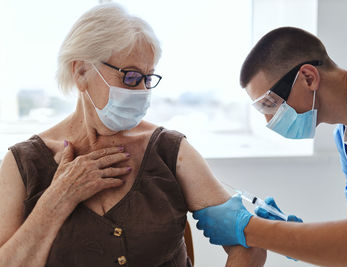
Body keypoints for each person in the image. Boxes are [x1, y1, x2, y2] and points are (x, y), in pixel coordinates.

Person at [0, 3, 266, 266]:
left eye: (148, 79)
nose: (141, 91)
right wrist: (57, 200)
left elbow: (250, 244)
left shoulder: (169, 151)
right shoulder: (23, 163)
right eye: (130, 77)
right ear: (81, 72)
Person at [193, 27, 347, 266]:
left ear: (308, 77)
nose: (269, 121)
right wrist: (287, 234)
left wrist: (252, 229)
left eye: (269, 104)